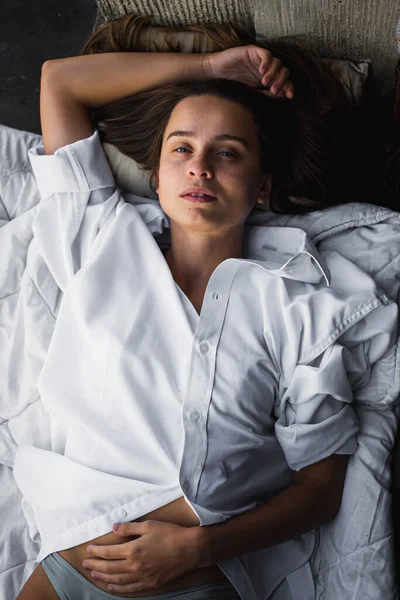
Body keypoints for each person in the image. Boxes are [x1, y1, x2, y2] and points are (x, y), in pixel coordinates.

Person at [14, 14, 395, 600]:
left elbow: (320, 488)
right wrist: (213, 69)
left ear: (261, 187)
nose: (200, 166)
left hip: (195, 576)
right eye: (182, 148)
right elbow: (60, 81)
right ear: (159, 177)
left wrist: (202, 548)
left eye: (228, 152)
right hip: (74, 560)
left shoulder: (298, 304)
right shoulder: (98, 236)